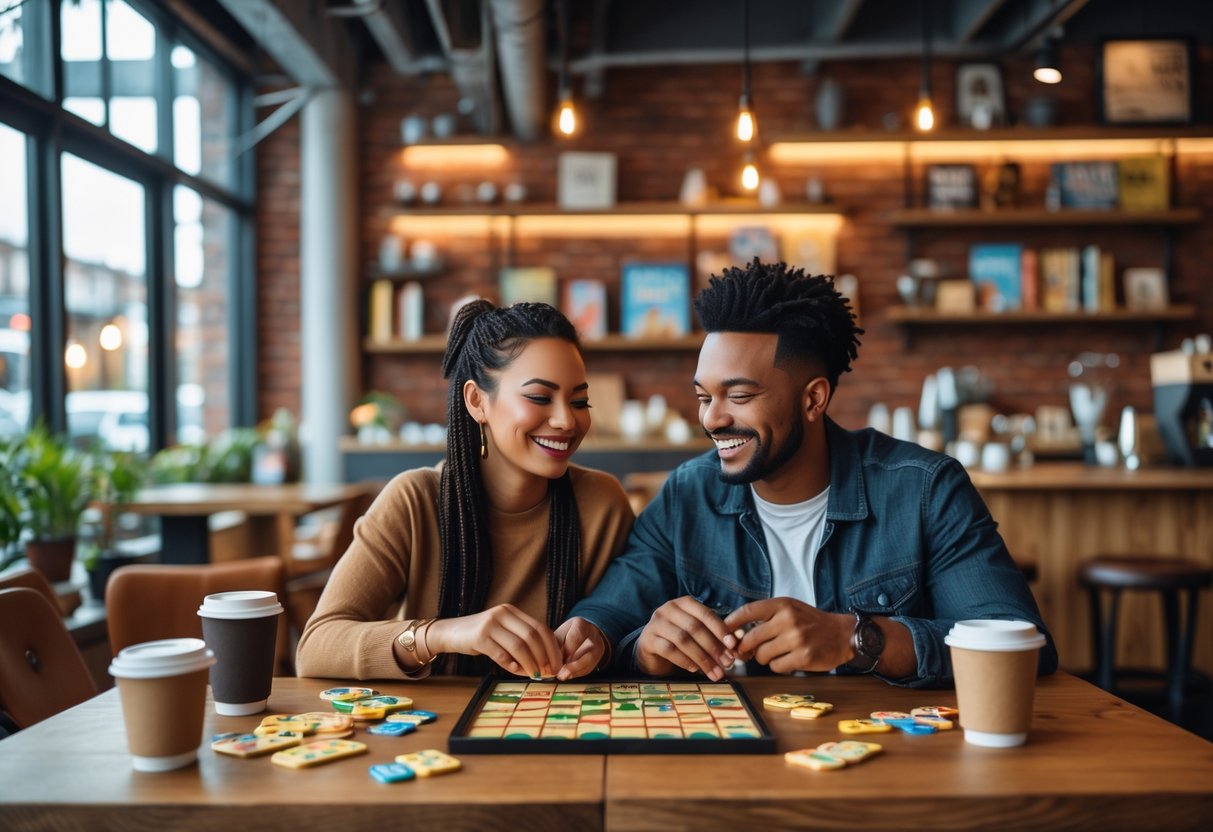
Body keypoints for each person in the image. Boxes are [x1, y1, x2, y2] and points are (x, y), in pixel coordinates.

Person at [560, 260, 1057, 687]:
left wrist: (857, 638)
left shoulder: (925, 489)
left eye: (739, 396)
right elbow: (610, 614)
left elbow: (1022, 646)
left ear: (813, 398)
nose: (712, 419)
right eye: (703, 397)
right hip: (743, 759)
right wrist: (634, 646)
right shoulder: (688, 493)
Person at [296, 300, 634, 680]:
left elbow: (626, 625)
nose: (566, 420)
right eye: (540, 397)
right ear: (477, 401)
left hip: (562, 726)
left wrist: (602, 641)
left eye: (579, 401)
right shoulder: (415, 500)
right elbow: (316, 646)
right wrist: (442, 633)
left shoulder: (602, 503)